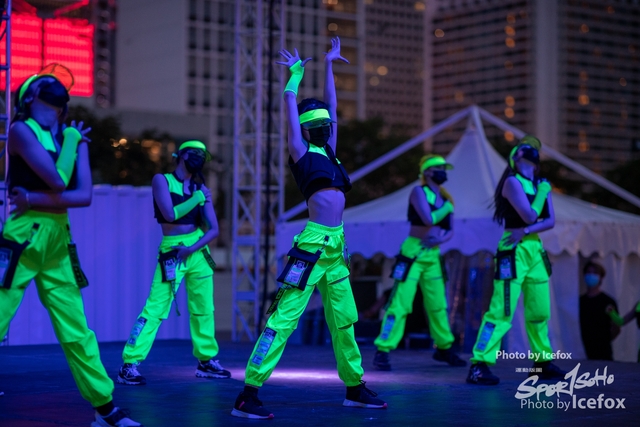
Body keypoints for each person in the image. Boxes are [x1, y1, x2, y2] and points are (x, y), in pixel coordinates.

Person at [231, 38, 387, 419]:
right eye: (318, 123)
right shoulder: (300, 152)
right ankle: (248, 392)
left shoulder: (330, 151)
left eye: (326, 123)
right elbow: (289, 105)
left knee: (344, 319)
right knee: (283, 318)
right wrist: (295, 76)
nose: (326, 124)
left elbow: (332, 104)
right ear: (305, 127)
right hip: (313, 244)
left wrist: (330, 64)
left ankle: (354, 387)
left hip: (336, 246)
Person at [1, 66, 142, 426]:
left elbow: (84, 196)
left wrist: (33, 197)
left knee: (76, 328)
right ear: (30, 97)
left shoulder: (67, 137)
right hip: (24, 237)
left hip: (59, 238)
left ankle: (104, 407)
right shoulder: (21, 130)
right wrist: (73, 143)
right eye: (45, 83)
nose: (54, 84)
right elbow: (60, 181)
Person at [117, 140, 230, 385]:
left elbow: (214, 229)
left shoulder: (200, 187)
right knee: (156, 307)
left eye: (203, 154)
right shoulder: (163, 180)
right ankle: (129, 363)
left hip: (196, 249)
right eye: (195, 153)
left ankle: (206, 360)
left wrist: (191, 249)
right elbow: (169, 214)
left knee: (203, 308)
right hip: (172, 250)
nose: (199, 157)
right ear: (181, 155)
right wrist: (197, 198)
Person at [466, 136, 565, 385]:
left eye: (534, 149)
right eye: (525, 148)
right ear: (515, 157)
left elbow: (550, 221)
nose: (531, 151)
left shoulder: (540, 183)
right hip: (513, 249)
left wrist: (527, 231)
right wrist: (542, 194)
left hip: (534, 248)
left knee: (539, 310)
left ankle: (542, 362)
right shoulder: (512, 182)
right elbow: (530, 215)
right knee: (502, 309)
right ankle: (479, 364)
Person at [372, 155, 465, 371]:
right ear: (428, 172)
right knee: (400, 302)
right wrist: (447, 208)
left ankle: (444, 347)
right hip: (413, 252)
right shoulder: (419, 192)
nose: (443, 172)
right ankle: (383, 349)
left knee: (438, 304)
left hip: (433, 255)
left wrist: (440, 239)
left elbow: (450, 230)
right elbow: (428, 219)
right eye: (439, 168)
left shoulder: (445, 197)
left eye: (444, 168)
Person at [579, 260, 620, 360]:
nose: (591, 275)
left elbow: (616, 327)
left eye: (595, 273)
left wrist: (604, 340)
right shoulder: (579, 302)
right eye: (588, 272)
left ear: (601, 277)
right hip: (582, 351)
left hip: (603, 352)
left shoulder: (608, 301)